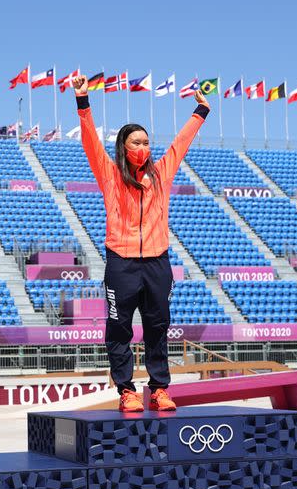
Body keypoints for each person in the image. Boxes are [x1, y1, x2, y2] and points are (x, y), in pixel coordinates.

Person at [72, 75, 210, 413]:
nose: (143, 148)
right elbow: (90, 142)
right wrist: (83, 102)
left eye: (146, 142)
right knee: (119, 327)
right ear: (123, 147)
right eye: (136, 142)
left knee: (157, 326)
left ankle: (159, 388)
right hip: (121, 263)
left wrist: (200, 113)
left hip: (157, 263)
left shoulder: (162, 173)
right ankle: (126, 390)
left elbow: (181, 143)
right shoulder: (110, 175)